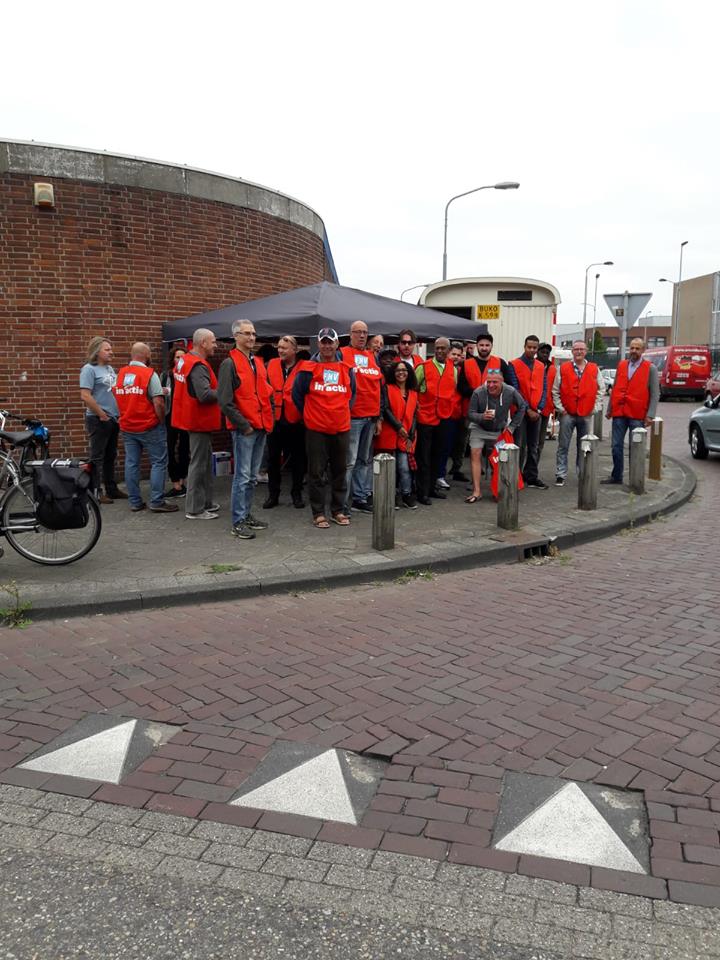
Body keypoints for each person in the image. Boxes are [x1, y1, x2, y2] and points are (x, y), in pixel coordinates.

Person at [293, 328, 355, 528]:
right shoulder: (307, 368)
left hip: (341, 428)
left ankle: (338, 510)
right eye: (324, 342)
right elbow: (297, 395)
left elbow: (351, 394)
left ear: (337, 344)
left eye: (330, 342)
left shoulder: (347, 369)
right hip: (316, 429)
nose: (327, 346)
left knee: (339, 471)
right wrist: (310, 415)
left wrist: (341, 412)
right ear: (318, 344)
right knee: (316, 472)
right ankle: (318, 512)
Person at [218, 319, 274, 540]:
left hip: (259, 426)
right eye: (246, 333)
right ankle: (238, 521)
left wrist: (269, 419)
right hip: (246, 429)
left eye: (253, 333)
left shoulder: (257, 362)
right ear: (236, 336)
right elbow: (225, 401)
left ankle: (246, 515)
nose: (251, 337)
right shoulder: (229, 364)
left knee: (251, 477)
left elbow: (266, 393)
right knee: (242, 477)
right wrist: (244, 426)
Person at [113, 342, 178, 514]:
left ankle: (135, 501)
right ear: (146, 355)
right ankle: (157, 501)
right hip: (149, 425)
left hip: (128, 426)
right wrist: (161, 420)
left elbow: (117, 397)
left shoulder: (120, 374)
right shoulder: (149, 374)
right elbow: (158, 402)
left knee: (131, 463)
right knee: (158, 462)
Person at [171, 327, 221, 520]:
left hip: (190, 417)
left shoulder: (184, 361)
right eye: (213, 342)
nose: (216, 345)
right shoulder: (198, 365)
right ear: (203, 343)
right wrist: (225, 391)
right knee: (199, 464)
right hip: (198, 420)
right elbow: (204, 395)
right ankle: (194, 509)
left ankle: (205, 502)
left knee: (204, 462)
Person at [458, 333, 517, 479]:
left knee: (495, 449)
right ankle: (473, 479)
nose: (484, 348)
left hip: (495, 413)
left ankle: (496, 478)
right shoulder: (466, 364)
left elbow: (509, 385)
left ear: (491, 346)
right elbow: (461, 387)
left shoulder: (500, 363)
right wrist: (479, 393)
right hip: (472, 413)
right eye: (481, 345)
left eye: (487, 345)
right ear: (476, 346)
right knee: (472, 449)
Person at [602, 337, 659, 485]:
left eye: (637, 348)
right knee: (616, 446)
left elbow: (655, 394)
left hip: (637, 414)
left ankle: (635, 477)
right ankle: (617, 476)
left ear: (643, 350)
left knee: (636, 447)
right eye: (632, 348)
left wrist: (650, 415)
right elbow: (615, 387)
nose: (633, 351)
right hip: (619, 412)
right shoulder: (622, 365)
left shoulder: (650, 368)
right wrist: (610, 408)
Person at [340, 320, 383, 514]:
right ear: (350, 334)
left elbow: (379, 387)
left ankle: (359, 498)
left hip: (370, 417)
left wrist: (379, 417)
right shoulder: (342, 353)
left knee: (364, 460)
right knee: (349, 461)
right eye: (358, 332)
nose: (362, 335)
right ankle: (342, 502)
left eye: (365, 332)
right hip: (353, 417)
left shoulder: (372, 356)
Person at [466, 370, 527, 501]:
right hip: (479, 427)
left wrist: (511, 427)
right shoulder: (478, 392)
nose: (491, 385)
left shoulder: (510, 391)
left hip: (499, 429)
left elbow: (522, 406)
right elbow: (470, 413)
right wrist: (482, 416)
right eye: (488, 382)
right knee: (475, 452)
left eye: (495, 382)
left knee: (501, 457)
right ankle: (476, 491)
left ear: (502, 382)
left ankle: (499, 489)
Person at [79, 336, 126, 504]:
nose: (111, 352)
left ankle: (111, 489)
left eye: (111, 349)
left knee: (110, 455)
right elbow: (85, 395)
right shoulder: (88, 369)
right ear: (97, 351)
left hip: (112, 418)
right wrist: (101, 414)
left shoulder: (109, 368)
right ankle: (95, 492)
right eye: (107, 349)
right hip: (98, 419)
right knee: (97, 457)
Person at [551, 340, 605, 486]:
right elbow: (555, 390)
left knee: (585, 446)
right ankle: (561, 474)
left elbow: (601, 390)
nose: (579, 352)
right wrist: (560, 408)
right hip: (567, 414)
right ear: (572, 352)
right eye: (576, 349)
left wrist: (595, 408)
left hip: (586, 414)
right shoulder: (563, 368)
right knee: (563, 445)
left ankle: (582, 473)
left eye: (581, 349)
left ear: (586, 351)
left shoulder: (594, 369)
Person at [264, 335, 306, 509]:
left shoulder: (304, 367)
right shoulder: (270, 365)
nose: (280, 350)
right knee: (273, 459)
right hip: (275, 420)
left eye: (284, 348)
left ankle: (297, 494)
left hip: (296, 420)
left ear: (294, 350)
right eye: (279, 347)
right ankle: (273, 495)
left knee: (298, 460)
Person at [414, 336, 457, 505]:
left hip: (444, 417)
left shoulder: (453, 369)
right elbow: (414, 388)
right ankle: (422, 492)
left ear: (448, 350)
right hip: (425, 418)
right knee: (423, 457)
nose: (439, 351)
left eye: (443, 348)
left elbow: (452, 389)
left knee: (438, 455)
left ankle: (432, 488)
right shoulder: (423, 367)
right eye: (437, 348)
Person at [376, 360, 418, 508]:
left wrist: (411, 433)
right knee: (389, 469)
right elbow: (386, 409)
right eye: (398, 370)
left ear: (409, 373)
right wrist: (399, 427)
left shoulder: (413, 392)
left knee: (404, 467)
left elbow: (414, 414)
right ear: (393, 373)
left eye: (404, 370)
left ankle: (406, 494)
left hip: (406, 436)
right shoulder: (387, 388)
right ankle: (390, 495)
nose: (401, 373)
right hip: (390, 433)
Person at [511, 335, 548, 489]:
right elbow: (515, 389)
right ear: (524, 347)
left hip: (536, 412)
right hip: (520, 412)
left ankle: (531, 476)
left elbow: (544, 389)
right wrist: (527, 409)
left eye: (535, 348)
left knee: (534, 446)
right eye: (529, 347)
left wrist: (539, 408)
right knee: (519, 445)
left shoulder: (541, 366)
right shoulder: (514, 364)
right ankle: (515, 476)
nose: (532, 350)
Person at [161, 345, 190, 498]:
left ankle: (183, 481)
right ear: (173, 359)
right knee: (170, 449)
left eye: (183, 357)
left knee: (185, 448)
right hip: (170, 415)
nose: (180, 360)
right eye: (178, 357)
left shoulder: (189, 373)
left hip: (185, 415)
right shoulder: (166, 375)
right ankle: (176, 484)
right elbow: (159, 392)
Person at [437, 342, 468, 487]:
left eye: (459, 355)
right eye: (453, 354)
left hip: (459, 413)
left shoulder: (462, 370)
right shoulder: (444, 368)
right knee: (444, 445)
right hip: (446, 413)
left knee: (458, 444)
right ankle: (440, 474)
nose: (456, 357)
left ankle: (455, 470)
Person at [536, 342, 555, 463]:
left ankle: (535, 464)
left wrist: (554, 407)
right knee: (531, 439)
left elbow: (555, 388)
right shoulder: (532, 365)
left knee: (541, 440)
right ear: (537, 352)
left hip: (546, 408)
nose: (544, 354)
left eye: (547, 353)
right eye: (542, 352)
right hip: (533, 408)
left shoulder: (553, 369)